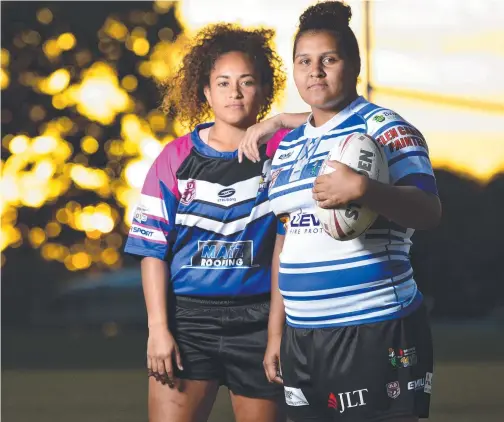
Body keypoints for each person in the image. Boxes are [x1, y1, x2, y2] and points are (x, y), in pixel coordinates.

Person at [261, 2, 442, 421]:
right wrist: (277, 333)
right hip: (303, 337)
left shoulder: (384, 128)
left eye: (329, 59)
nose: (315, 72)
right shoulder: (288, 146)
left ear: (354, 65)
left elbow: (429, 211)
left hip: (375, 327)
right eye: (304, 61)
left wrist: (365, 189)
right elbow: (286, 239)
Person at [124, 23, 306, 422]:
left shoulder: (285, 152)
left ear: (264, 89)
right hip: (188, 322)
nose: (235, 92)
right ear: (205, 92)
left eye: (247, 82)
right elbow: (152, 251)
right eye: (222, 83)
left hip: (260, 321)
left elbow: (336, 120)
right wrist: (158, 328)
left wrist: (277, 122)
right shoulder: (174, 158)